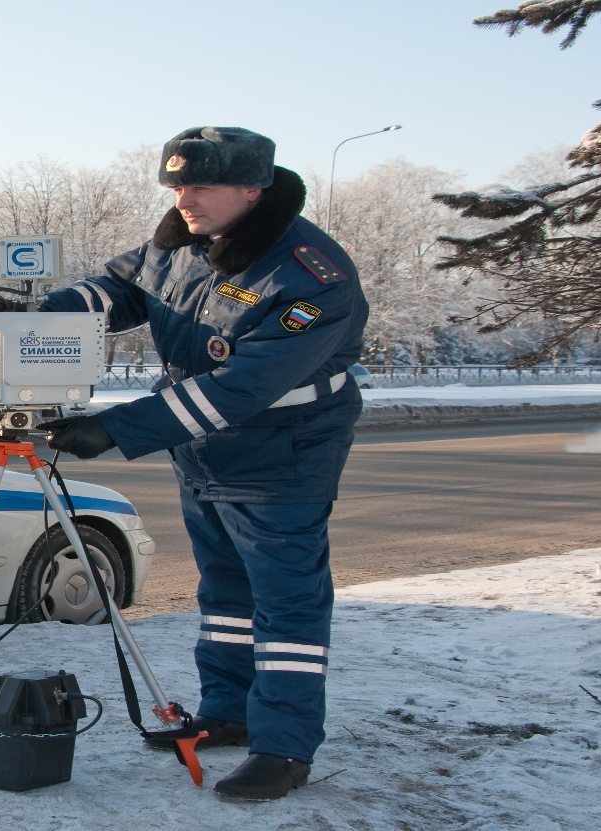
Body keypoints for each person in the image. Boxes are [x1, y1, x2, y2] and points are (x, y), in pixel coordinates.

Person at [35, 126, 368, 800]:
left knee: (285, 605)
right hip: (202, 447)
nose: (183, 197)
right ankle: (228, 710)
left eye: (199, 185)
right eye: (175, 185)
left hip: (283, 453)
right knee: (224, 595)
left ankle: (284, 745)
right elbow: (119, 290)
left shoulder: (310, 274)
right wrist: (37, 313)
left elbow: (242, 385)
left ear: (253, 189)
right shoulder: (183, 245)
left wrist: (114, 429)